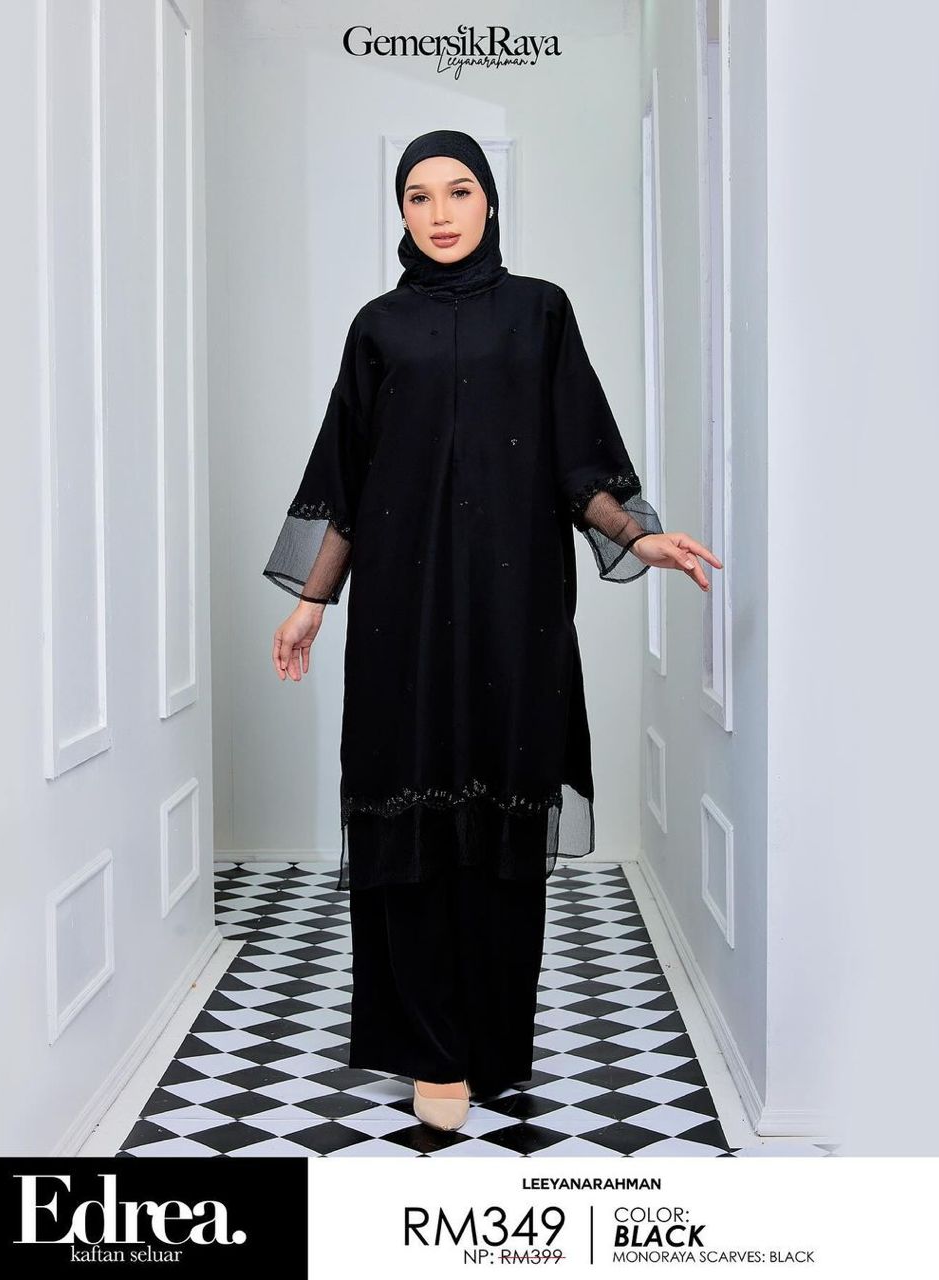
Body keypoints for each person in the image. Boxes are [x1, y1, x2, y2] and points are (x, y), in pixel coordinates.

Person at [263, 129, 722, 1132]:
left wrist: (637, 535)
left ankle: (493, 1041)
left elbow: (577, 460)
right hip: (401, 616)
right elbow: (344, 475)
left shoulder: (540, 311)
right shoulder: (377, 326)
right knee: (409, 820)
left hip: (515, 614)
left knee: (504, 818)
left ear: (489, 200)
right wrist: (309, 602)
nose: (439, 213)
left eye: (458, 190)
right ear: (400, 210)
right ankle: (431, 1050)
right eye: (417, 195)